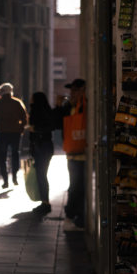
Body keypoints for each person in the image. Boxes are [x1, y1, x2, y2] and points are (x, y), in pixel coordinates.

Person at [55, 78, 87, 230]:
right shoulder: (69, 107)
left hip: (84, 154)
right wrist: (58, 105)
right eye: (71, 90)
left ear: (83, 91)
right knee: (75, 187)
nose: (71, 93)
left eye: (75, 90)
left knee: (78, 187)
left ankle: (75, 216)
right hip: (73, 154)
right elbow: (55, 122)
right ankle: (73, 216)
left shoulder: (85, 105)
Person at [0, 82, 28, 188]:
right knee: (15, 154)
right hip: (15, 133)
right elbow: (24, 117)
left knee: (2, 155)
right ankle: (14, 176)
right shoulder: (17, 103)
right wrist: (21, 127)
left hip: (3, 132)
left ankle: (5, 180)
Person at [27, 92, 55, 213]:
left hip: (42, 146)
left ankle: (45, 203)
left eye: (32, 97)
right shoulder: (41, 110)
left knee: (42, 175)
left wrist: (35, 129)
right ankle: (44, 201)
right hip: (42, 146)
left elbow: (50, 126)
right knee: (41, 175)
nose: (30, 99)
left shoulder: (40, 111)